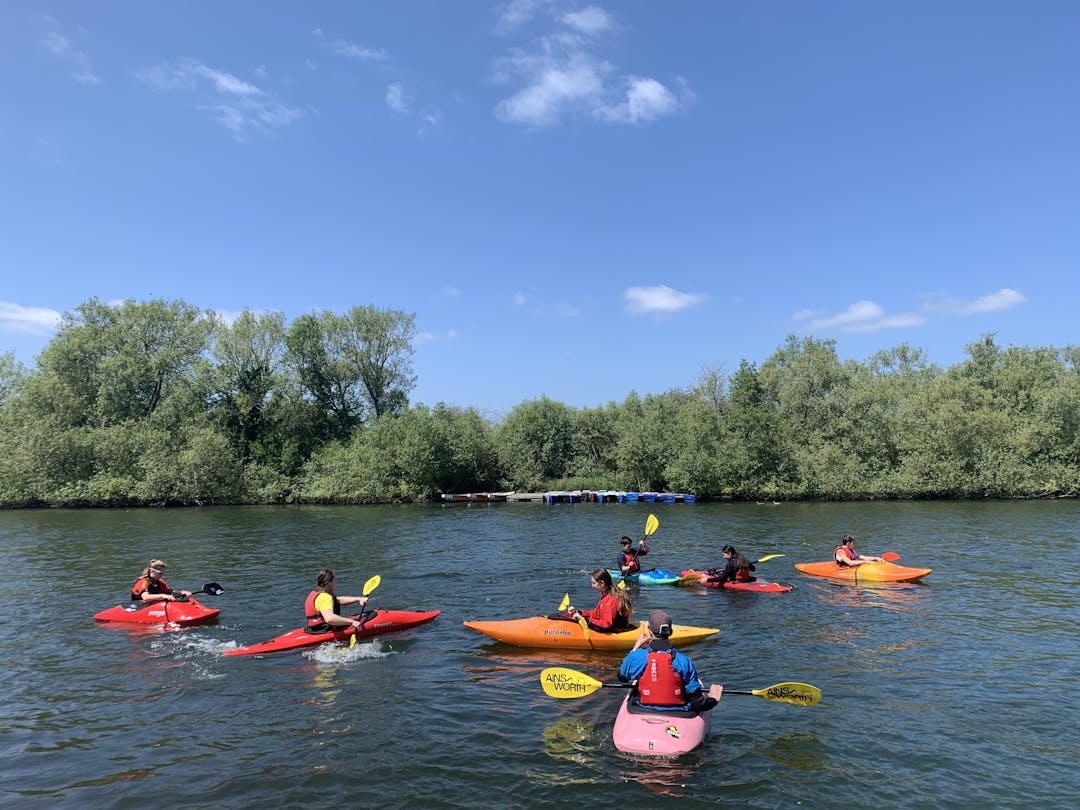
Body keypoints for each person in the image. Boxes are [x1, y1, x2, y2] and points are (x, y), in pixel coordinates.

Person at [618, 610, 721, 712]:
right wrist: (714, 699)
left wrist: (636, 647)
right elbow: (698, 703)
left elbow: (622, 677)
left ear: (649, 631)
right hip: (677, 711)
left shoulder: (637, 657)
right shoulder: (683, 661)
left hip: (643, 708)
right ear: (670, 632)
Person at [304, 568, 371, 634]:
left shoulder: (316, 593)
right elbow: (330, 619)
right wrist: (352, 622)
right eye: (334, 580)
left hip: (313, 629)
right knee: (370, 616)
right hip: (325, 629)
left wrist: (358, 599)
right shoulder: (325, 597)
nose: (335, 583)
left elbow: (337, 600)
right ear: (328, 583)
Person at [564, 568, 633, 632]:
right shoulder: (606, 596)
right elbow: (597, 614)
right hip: (611, 627)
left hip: (616, 631)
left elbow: (606, 625)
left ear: (602, 583)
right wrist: (579, 613)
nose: (592, 586)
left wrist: (584, 620)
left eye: (594, 583)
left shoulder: (612, 599)